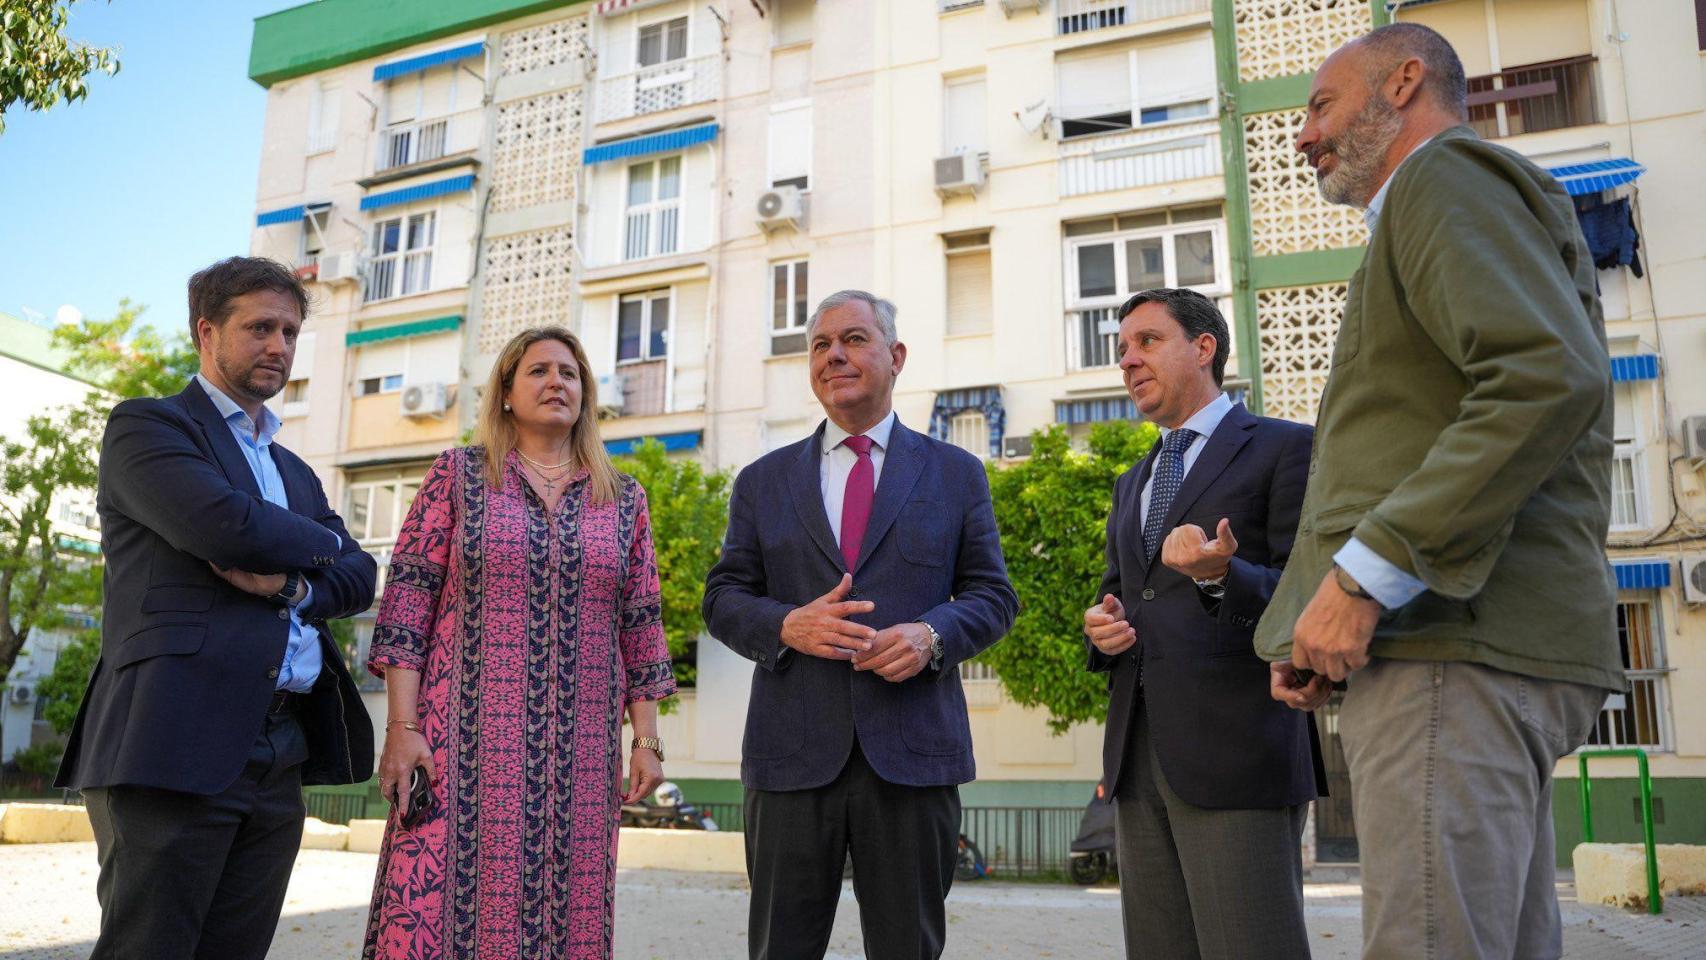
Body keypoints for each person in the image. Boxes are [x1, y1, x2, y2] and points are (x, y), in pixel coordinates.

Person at [1256, 23, 1622, 958]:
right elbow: (1421, 433)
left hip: (1454, 651)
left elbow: (1542, 377)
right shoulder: (1436, 202)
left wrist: (1360, 582)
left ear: (1403, 83)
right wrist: (1318, 613)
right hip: (1462, 650)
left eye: (1320, 105)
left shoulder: (1441, 178)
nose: (1303, 136)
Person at [54, 256, 377, 960]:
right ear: (206, 331)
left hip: (281, 750)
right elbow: (224, 528)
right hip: (174, 737)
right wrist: (323, 539)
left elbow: (361, 577)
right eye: (260, 327)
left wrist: (294, 585)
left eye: (290, 332)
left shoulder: (292, 469)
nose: (279, 347)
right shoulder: (148, 428)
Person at [702, 290, 1018, 960]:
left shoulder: (956, 473)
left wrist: (930, 636)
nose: (834, 355)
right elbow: (724, 596)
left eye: (853, 339)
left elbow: (993, 596)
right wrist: (787, 624)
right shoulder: (761, 482)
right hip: (790, 759)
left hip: (912, 760)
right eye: (820, 345)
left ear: (895, 356)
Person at [360, 326, 675, 960]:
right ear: (505, 392)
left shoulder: (623, 498)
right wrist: (401, 726)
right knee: (434, 905)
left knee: (570, 910)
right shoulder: (458, 475)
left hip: (582, 755)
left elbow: (641, 625)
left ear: (585, 394)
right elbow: (407, 604)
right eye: (538, 371)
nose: (556, 382)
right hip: (459, 740)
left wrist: (645, 742)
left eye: (569, 372)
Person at [1082, 288, 1326, 960]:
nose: (1128, 361)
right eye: (1121, 349)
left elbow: (1313, 596)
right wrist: (1100, 631)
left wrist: (1222, 575)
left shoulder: (1285, 448)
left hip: (1240, 753)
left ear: (1204, 347)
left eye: (1147, 341)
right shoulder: (1133, 481)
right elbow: (1120, 598)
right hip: (1137, 757)